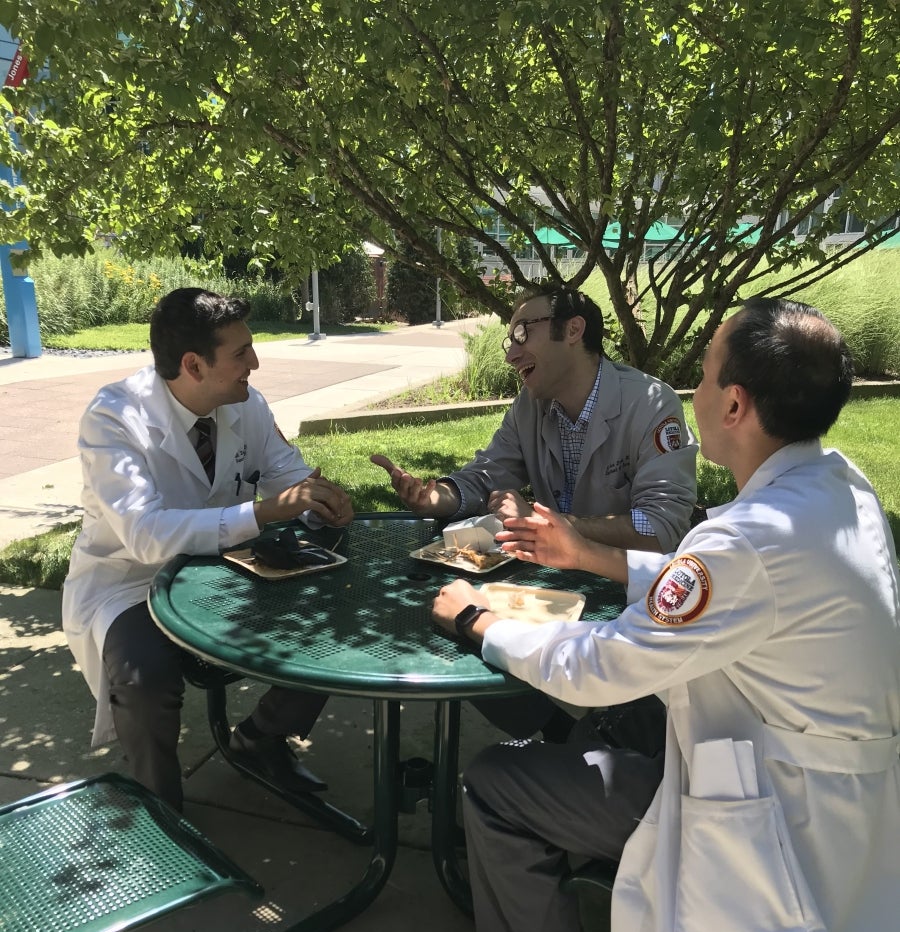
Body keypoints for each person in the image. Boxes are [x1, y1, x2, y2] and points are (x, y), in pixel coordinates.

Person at [431, 298, 900, 932]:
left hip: (765, 807)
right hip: (829, 784)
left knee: (498, 783)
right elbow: (719, 590)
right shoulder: (836, 487)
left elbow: (602, 667)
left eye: (708, 370)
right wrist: (592, 556)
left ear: (735, 405)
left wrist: (478, 621)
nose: (693, 388)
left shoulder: (748, 539)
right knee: (620, 737)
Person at [63, 288, 353, 812]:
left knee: (330, 614)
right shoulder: (115, 418)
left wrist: (321, 501)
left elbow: (287, 475)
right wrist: (262, 514)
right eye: (241, 353)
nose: (255, 363)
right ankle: (162, 813)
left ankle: (261, 738)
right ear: (194, 365)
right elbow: (145, 535)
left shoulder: (247, 406)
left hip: (227, 566)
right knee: (144, 676)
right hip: (131, 582)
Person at [373, 285, 697, 739]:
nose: (512, 354)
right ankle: (559, 737)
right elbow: (487, 474)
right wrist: (436, 496)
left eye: (523, 333)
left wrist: (559, 528)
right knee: (456, 628)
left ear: (573, 330)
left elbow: (662, 529)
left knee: (471, 627)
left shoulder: (650, 404)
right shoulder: (531, 404)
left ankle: (587, 749)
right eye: (511, 340)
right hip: (549, 591)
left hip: (621, 600)